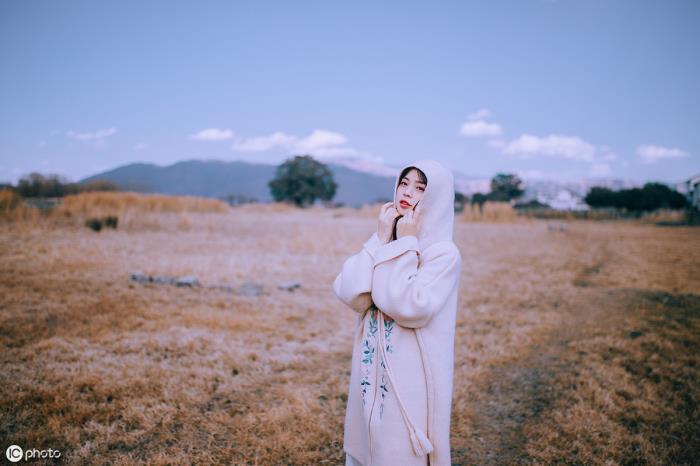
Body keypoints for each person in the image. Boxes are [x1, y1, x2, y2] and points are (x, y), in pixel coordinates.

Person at [332, 159, 462, 466]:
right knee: (366, 441)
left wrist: (405, 243)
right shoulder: (386, 240)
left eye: (420, 187)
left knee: (397, 447)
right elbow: (350, 293)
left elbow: (408, 306)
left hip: (411, 376)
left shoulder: (444, 253)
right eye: (404, 183)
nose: (407, 192)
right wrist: (380, 238)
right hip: (371, 366)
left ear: (436, 198)